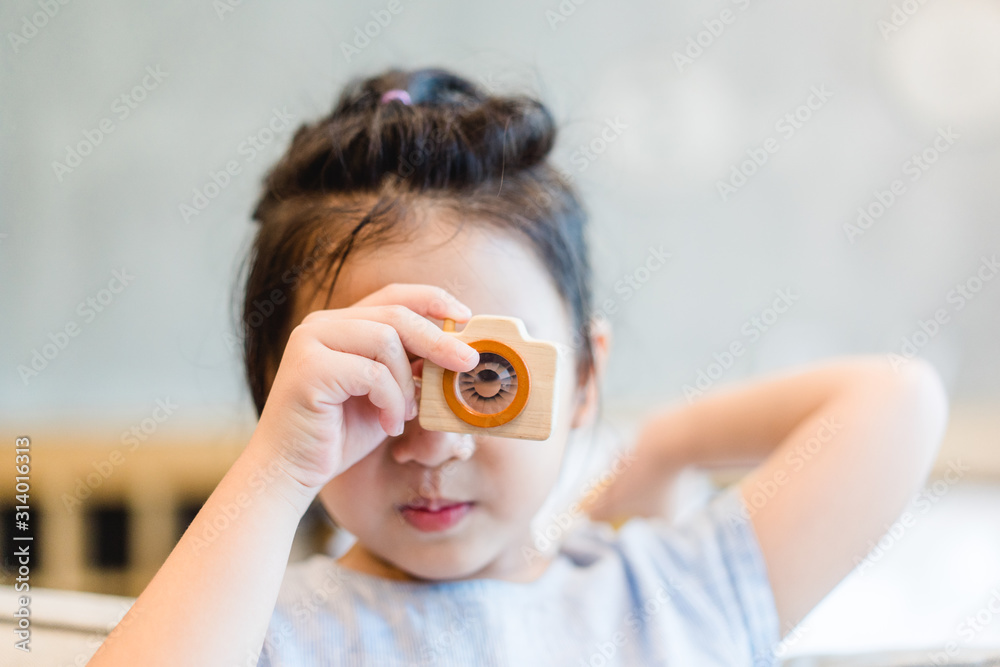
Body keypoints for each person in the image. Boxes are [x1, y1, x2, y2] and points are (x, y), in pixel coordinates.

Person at [87, 67, 950, 666]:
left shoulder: (670, 598)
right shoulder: (261, 631)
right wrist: (274, 474)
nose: (433, 445)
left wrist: (661, 449)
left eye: (489, 377)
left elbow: (897, 401)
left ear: (581, 379)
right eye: (372, 380)